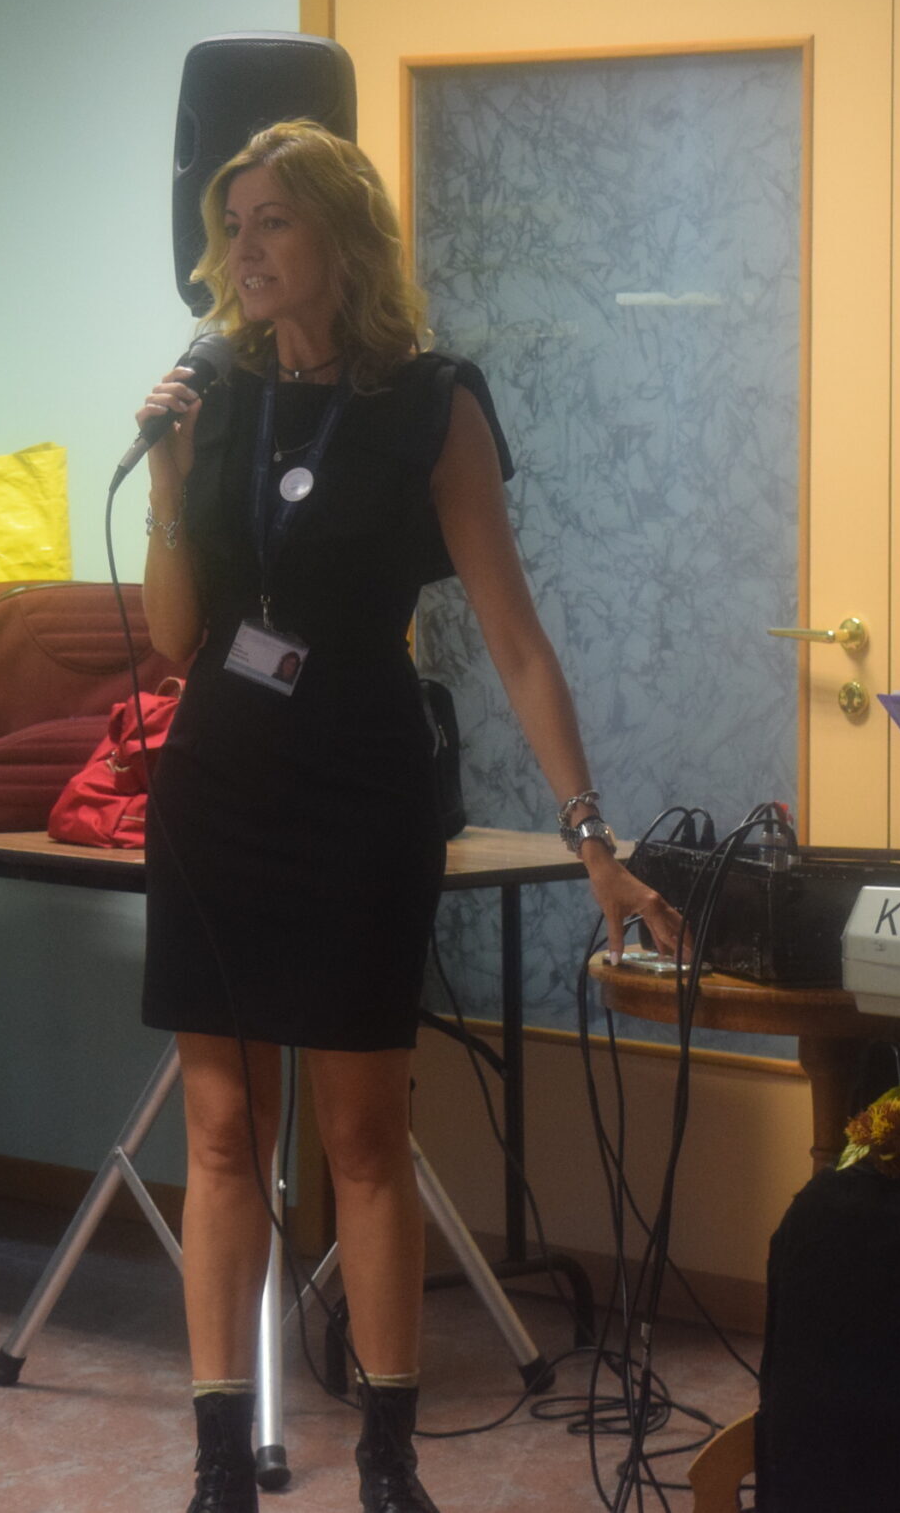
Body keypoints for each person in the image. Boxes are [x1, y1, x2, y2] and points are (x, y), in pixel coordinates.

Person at [135, 119, 689, 1513]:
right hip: (216, 787)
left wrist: (590, 834)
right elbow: (174, 636)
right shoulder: (215, 391)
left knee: (364, 1135)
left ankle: (388, 1463)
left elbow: (514, 638)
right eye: (233, 225)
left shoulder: (431, 403)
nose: (245, 250)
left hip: (359, 787)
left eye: (273, 222)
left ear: (341, 238)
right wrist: (171, 478)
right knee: (219, 1129)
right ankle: (219, 1471)